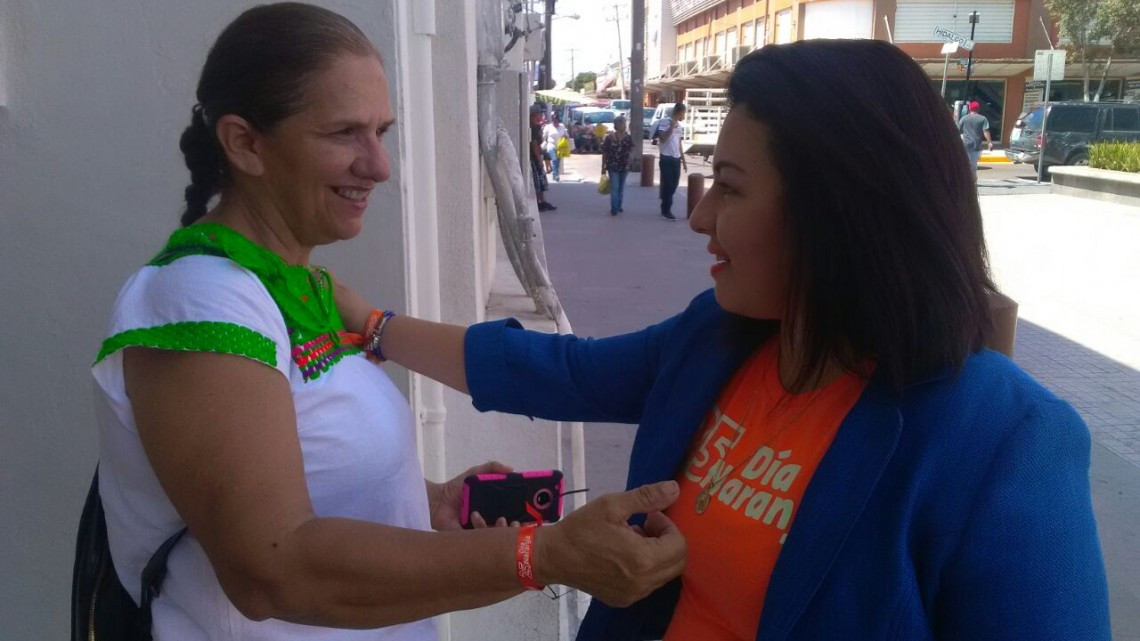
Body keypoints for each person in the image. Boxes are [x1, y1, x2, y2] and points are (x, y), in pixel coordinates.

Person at [336, 39, 1110, 640]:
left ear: (834, 213)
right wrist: (373, 326)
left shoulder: (1005, 440)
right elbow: (561, 372)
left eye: (731, 187)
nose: (700, 217)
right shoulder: (721, 339)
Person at [90, 4, 686, 639]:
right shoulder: (197, 301)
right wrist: (543, 556)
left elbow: (307, 469)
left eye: (382, 132)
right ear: (244, 143)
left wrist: (426, 499)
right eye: (345, 133)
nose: (378, 166)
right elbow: (273, 571)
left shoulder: (302, 286)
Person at [653, 102, 688, 220]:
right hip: (666, 157)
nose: (684, 116)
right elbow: (662, 139)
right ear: (679, 112)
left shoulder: (680, 127)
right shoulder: (665, 122)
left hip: (676, 158)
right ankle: (666, 210)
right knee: (668, 184)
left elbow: (679, 143)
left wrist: (683, 160)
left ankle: (665, 200)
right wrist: (671, 128)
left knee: (674, 184)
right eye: (684, 113)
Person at [600, 115, 635, 216]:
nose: (624, 125)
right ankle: (614, 208)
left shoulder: (628, 138)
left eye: (624, 123)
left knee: (621, 187)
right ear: (617, 125)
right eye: (622, 123)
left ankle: (619, 205)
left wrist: (631, 157)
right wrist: (603, 167)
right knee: (615, 187)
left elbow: (633, 149)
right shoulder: (609, 138)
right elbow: (605, 153)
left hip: (625, 166)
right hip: (612, 166)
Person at [530, 106, 557, 211]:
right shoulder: (532, 127)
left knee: (541, 181)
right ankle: (539, 202)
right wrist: (539, 160)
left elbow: (539, 142)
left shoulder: (536, 127)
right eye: (539, 114)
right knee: (537, 181)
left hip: (536, 157)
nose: (541, 116)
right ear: (533, 116)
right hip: (534, 158)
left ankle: (542, 201)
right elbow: (534, 144)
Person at [958, 100, 993, 181]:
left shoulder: (964, 118)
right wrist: (989, 143)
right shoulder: (983, 119)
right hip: (976, 145)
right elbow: (986, 131)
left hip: (965, 144)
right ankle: (973, 181)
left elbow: (957, 131)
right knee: (973, 165)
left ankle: (966, 180)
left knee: (965, 163)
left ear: (969, 108)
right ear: (978, 109)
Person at [542, 113, 569, 182]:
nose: (555, 122)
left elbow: (566, 135)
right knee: (554, 159)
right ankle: (555, 175)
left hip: (560, 146)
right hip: (551, 145)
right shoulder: (548, 127)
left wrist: (566, 137)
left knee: (558, 161)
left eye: (556, 121)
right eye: (554, 120)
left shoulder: (562, 126)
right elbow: (543, 136)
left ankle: (555, 175)